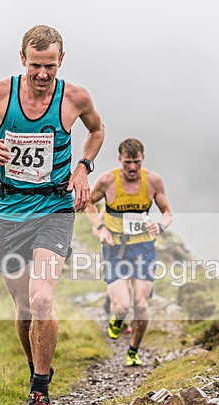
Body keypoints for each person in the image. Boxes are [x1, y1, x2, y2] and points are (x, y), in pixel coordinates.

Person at [0, 25, 104, 405]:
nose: (42, 75)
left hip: (55, 208)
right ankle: (39, 366)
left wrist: (84, 168)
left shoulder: (75, 97)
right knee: (22, 305)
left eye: (49, 66)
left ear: (61, 61)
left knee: (40, 298)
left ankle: (39, 391)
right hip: (11, 212)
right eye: (35, 65)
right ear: (22, 60)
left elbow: (97, 131)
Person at [85, 138, 172, 366]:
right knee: (123, 306)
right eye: (127, 163)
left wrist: (161, 225)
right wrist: (100, 227)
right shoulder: (107, 180)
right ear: (119, 160)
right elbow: (88, 203)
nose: (132, 168)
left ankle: (133, 351)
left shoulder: (153, 181)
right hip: (116, 249)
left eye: (136, 162)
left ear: (142, 159)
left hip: (143, 248)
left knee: (141, 304)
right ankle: (117, 318)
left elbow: (167, 213)